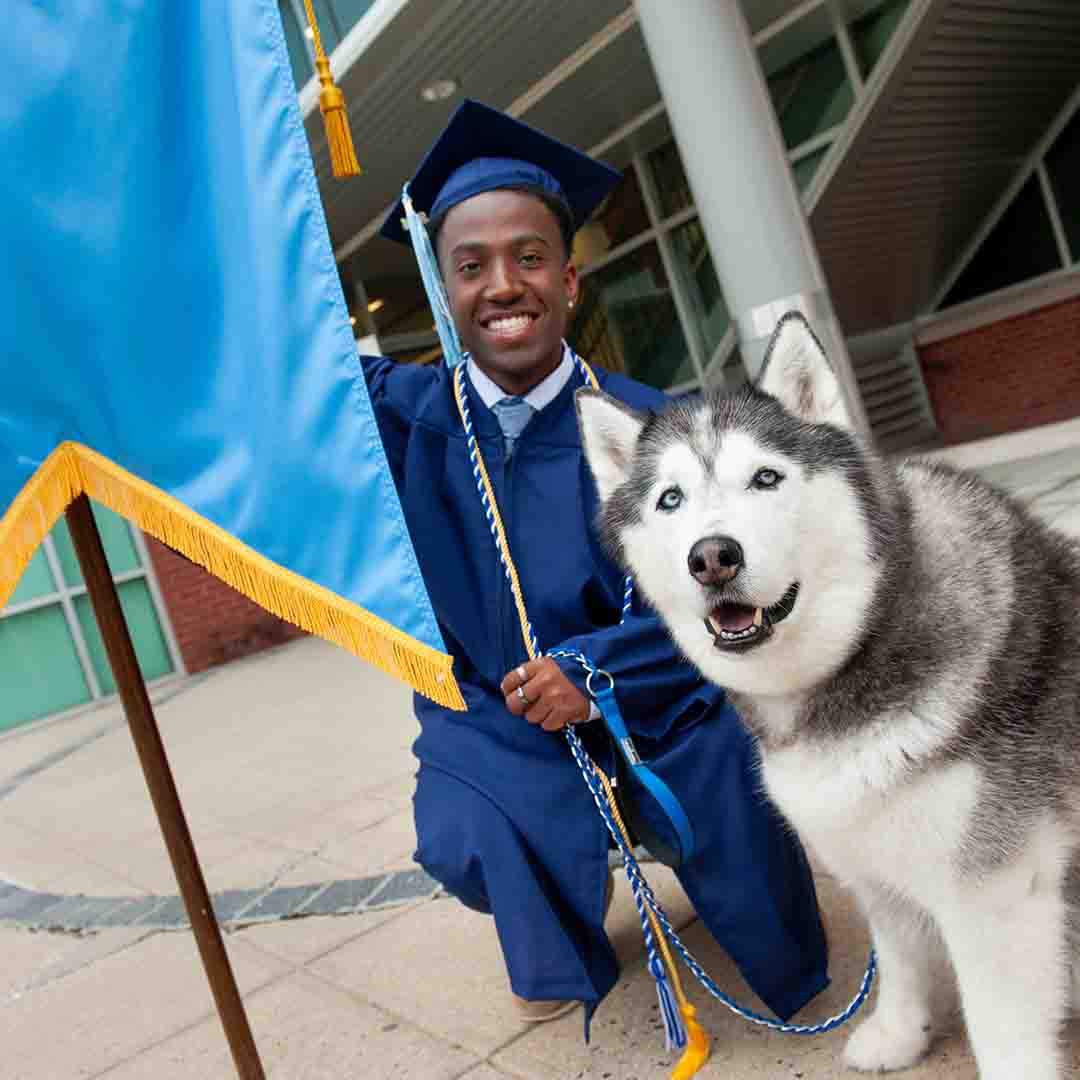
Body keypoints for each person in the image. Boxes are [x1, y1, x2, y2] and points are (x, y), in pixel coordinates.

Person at [361, 99, 828, 1031]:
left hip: (657, 686)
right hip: (490, 704)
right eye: (471, 266)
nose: (504, 285)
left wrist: (596, 675)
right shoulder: (398, 419)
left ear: (570, 282)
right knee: (470, 821)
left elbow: (725, 594)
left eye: (529, 258)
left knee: (741, 763)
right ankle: (562, 947)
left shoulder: (661, 424)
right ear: (444, 291)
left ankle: (784, 952)